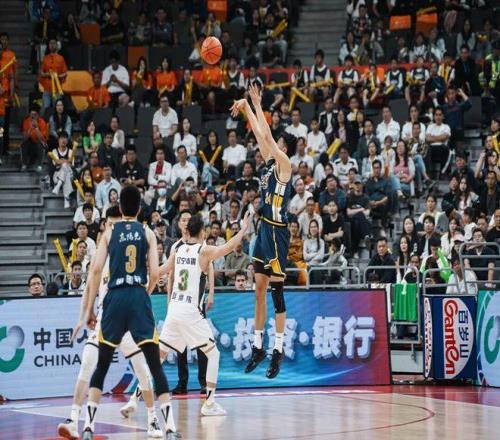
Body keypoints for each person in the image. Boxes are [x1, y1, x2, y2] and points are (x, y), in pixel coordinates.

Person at [79, 186, 180, 440]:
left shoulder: (109, 232)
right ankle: (170, 428)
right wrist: (143, 295)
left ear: (121, 207)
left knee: (102, 365)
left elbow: (95, 270)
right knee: (154, 366)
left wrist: (89, 309)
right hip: (137, 295)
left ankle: (88, 426)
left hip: (114, 297)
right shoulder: (147, 232)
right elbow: (155, 273)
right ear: (139, 208)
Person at [61, 206, 162, 439]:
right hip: (106, 320)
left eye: (117, 225)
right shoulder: (101, 255)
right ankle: (73, 419)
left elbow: (153, 275)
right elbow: (89, 286)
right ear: (105, 227)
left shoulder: (133, 254)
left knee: (143, 371)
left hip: (130, 323)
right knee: (87, 364)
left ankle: (153, 419)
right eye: (110, 225)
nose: (114, 229)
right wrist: (84, 315)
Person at [157, 212, 251, 416]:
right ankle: (209, 403)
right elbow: (228, 247)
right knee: (213, 354)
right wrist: (243, 228)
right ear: (201, 232)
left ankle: (134, 398)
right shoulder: (203, 250)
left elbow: (161, 271)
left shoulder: (177, 249)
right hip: (190, 310)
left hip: (174, 308)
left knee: (159, 358)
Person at [231, 84, 292, 378]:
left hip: (278, 233)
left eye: (278, 143)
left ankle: (278, 349)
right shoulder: (269, 165)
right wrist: (246, 108)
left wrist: (255, 104)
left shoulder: (285, 165)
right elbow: (260, 136)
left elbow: (266, 136)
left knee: (277, 294)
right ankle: (258, 346)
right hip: (264, 231)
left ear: (284, 149)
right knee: (258, 289)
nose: (272, 144)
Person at [39, 38, 68, 110]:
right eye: (50, 43)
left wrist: (58, 76)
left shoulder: (61, 58)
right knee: (45, 108)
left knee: (57, 109)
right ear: (48, 46)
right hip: (47, 88)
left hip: (57, 89)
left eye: (53, 43)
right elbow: (41, 72)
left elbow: (65, 73)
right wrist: (47, 74)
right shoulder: (45, 58)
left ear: (57, 45)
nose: (52, 45)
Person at [21, 103, 48, 172]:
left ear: (38, 115)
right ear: (29, 114)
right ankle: (24, 164)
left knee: (41, 144)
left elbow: (43, 140)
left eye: (35, 114)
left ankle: (39, 166)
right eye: (31, 114)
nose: (33, 116)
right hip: (30, 145)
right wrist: (30, 128)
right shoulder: (26, 121)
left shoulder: (42, 122)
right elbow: (24, 139)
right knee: (24, 144)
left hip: (39, 144)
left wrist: (36, 128)